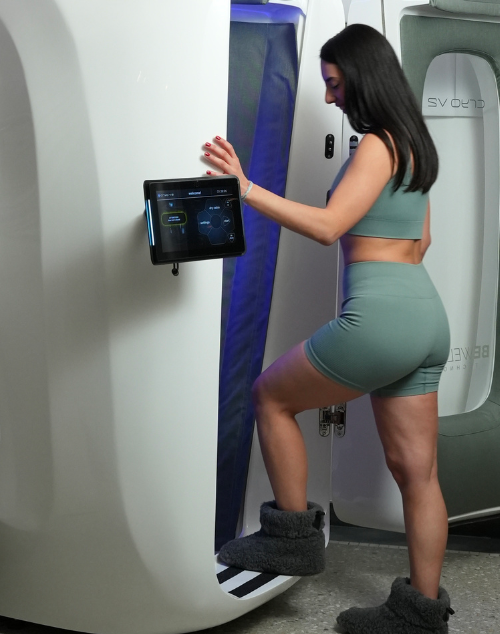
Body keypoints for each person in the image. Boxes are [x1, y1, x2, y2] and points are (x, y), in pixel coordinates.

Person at [203, 23, 453, 634]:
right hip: (425, 313)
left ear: (363, 77)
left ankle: (291, 540)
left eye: (335, 83)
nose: (329, 96)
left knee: (270, 396)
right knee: (418, 474)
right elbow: (422, 240)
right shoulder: (415, 144)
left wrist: (246, 189)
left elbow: (327, 226)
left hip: (381, 317)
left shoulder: (377, 144)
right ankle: (421, 615)